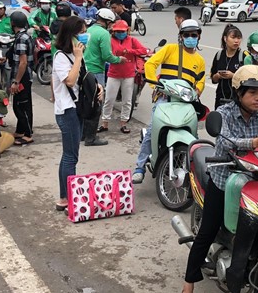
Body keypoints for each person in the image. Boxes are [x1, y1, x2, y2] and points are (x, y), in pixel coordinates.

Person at [176, 65, 258, 293]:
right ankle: (188, 288)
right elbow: (226, 141)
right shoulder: (224, 113)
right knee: (206, 233)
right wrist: (254, 143)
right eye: (252, 93)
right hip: (226, 178)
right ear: (239, 93)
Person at [132, 19, 206, 184]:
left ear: (198, 36)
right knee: (152, 130)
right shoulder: (170, 49)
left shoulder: (199, 60)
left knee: (194, 133)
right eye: (187, 35)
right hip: (165, 98)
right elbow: (151, 64)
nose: (190, 38)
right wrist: (155, 84)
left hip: (186, 101)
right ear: (181, 36)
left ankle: (194, 168)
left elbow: (200, 80)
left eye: (194, 35)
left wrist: (198, 90)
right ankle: (140, 167)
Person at [52, 16, 88, 211]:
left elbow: (84, 79)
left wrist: (97, 87)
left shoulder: (74, 56)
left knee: (70, 155)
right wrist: (79, 58)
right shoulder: (60, 57)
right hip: (67, 111)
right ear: (71, 36)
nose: (85, 36)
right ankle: (66, 198)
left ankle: (65, 197)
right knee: (70, 156)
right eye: (81, 33)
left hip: (76, 109)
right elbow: (70, 81)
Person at [82, 8, 126, 146]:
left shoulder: (88, 30)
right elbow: (107, 56)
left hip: (84, 69)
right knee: (96, 103)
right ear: (107, 21)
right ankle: (91, 138)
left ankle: (83, 134)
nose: (112, 25)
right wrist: (119, 59)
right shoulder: (104, 34)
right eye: (111, 23)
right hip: (96, 71)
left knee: (85, 102)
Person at [100, 20, 149, 134]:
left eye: (122, 31)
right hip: (113, 74)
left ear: (127, 31)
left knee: (127, 101)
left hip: (129, 75)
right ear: (114, 31)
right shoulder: (110, 40)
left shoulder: (132, 40)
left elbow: (143, 50)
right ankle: (105, 123)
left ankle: (124, 123)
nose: (120, 33)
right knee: (108, 100)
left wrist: (129, 51)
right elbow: (107, 54)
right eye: (117, 31)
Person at [8, 11, 34, 146]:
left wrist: (16, 81)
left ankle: (28, 134)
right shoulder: (25, 36)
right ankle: (20, 131)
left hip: (22, 77)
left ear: (13, 23)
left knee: (21, 106)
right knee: (21, 104)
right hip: (25, 75)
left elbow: (22, 62)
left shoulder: (21, 38)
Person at [211, 24, 243, 108]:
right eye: (233, 37)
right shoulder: (219, 55)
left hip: (237, 101)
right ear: (225, 39)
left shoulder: (243, 56)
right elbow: (213, 79)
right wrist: (218, 76)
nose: (236, 41)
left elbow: (248, 79)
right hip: (220, 99)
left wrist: (233, 76)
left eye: (239, 38)